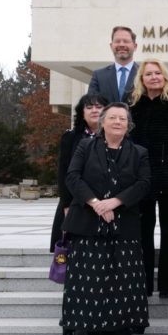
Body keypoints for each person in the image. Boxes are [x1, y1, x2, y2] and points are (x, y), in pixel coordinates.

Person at [61, 102, 151, 335]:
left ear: (128, 124)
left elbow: (144, 184)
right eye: (112, 117)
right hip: (88, 227)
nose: (117, 122)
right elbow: (73, 177)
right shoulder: (85, 147)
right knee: (89, 289)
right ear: (102, 122)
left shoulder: (139, 152)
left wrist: (114, 203)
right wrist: (96, 203)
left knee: (117, 288)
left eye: (122, 118)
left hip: (124, 230)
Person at [129, 58, 168, 298]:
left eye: (158, 73)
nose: (154, 77)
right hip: (141, 179)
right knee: (143, 231)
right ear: (142, 79)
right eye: (149, 74)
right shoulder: (133, 106)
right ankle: (143, 282)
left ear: (165, 77)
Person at [51, 93, 109, 253]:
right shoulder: (70, 137)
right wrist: (66, 204)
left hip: (106, 202)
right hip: (76, 200)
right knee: (73, 249)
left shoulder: (117, 137)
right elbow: (63, 173)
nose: (94, 110)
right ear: (82, 113)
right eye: (89, 107)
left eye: (99, 107)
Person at [87, 26, 138, 103]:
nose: (121, 44)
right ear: (111, 46)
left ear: (135, 46)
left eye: (126, 41)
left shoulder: (144, 74)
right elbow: (92, 104)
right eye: (117, 41)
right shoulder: (99, 76)